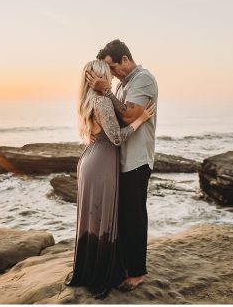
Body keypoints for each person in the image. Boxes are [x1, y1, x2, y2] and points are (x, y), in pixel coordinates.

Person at [65, 59, 155, 299]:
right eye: (108, 73)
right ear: (100, 75)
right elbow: (115, 138)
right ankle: (101, 271)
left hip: (90, 161)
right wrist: (140, 120)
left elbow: (95, 131)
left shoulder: (86, 101)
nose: (113, 77)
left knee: (92, 219)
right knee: (103, 219)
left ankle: (89, 268)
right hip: (101, 165)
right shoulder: (103, 101)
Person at [85, 39, 159, 292]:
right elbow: (114, 120)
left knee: (134, 216)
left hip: (137, 159)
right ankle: (126, 264)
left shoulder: (143, 80)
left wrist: (106, 93)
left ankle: (137, 273)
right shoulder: (122, 85)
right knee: (123, 216)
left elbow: (130, 115)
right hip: (120, 160)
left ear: (125, 60)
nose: (112, 75)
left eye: (113, 68)